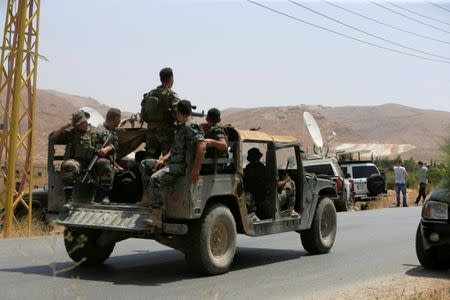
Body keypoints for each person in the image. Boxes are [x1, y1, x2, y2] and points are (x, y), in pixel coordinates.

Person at [140, 100, 206, 228]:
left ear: (179, 112)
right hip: (172, 162)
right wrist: (163, 159)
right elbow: (175, 148)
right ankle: (148, 198)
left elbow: (201, 144)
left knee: (156, 178)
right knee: (145, 164)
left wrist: (196, 169)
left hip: (181, 165)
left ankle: (156, 217)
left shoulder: (191, 126)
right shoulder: (181, 126)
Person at [49, 110, 116, 206]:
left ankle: (103, 196)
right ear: (75, 125)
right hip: (78, 163)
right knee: (68, 165)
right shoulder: (72, 133)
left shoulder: (97, 132)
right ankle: (69, 200)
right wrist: (66, 126)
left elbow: (112, 144)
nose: (84, 124)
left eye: (84, 122)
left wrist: (105, 150)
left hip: (94, 162)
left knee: (104, 163)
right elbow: (52, 137)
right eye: (80, 123)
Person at [244, 148, 299, 219]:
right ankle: (291, 210)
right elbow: (274, 186)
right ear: (259, 157)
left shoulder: (247, 169)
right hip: (267, 201)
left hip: (253, 200)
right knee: (291, 183)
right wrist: (285, 180)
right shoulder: (263, 169)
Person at [141, 67, 181, 159]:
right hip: (166, 134)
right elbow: (178, 114)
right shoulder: (171, 94)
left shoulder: (150, 93)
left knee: (150, 160)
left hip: (151, 132)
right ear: (171, 78)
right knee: (169, 161)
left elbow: (143, 114)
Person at [201, 108, 228, 173]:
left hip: (211, 166)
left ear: (207, 119)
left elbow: (224, 145)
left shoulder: (217, 129)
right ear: (219, 120)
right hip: (213, 165)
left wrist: (211, 142)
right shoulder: (211, 128)